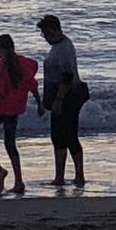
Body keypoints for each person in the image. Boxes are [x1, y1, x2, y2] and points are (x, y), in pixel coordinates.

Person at [0, 33, 41, 196]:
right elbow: (33, 86)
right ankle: (18, 181)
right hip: (14, 110)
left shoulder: (1, 68)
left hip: (0, 110)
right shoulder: (23, 64)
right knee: (10, 144)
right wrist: (39, 104)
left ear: (2, 50)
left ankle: (1, 171)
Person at [37, 14, 88, 187]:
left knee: (69, 136)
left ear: (58, 30)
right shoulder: (57, 47)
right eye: (44, 35)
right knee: (58, 136)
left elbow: (67, 76)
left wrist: (59, 99)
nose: (47, 38)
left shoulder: (65, 47)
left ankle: (77, 176)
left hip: (68, 96)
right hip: (59, 95)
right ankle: (60, 176)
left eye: (49, 34)